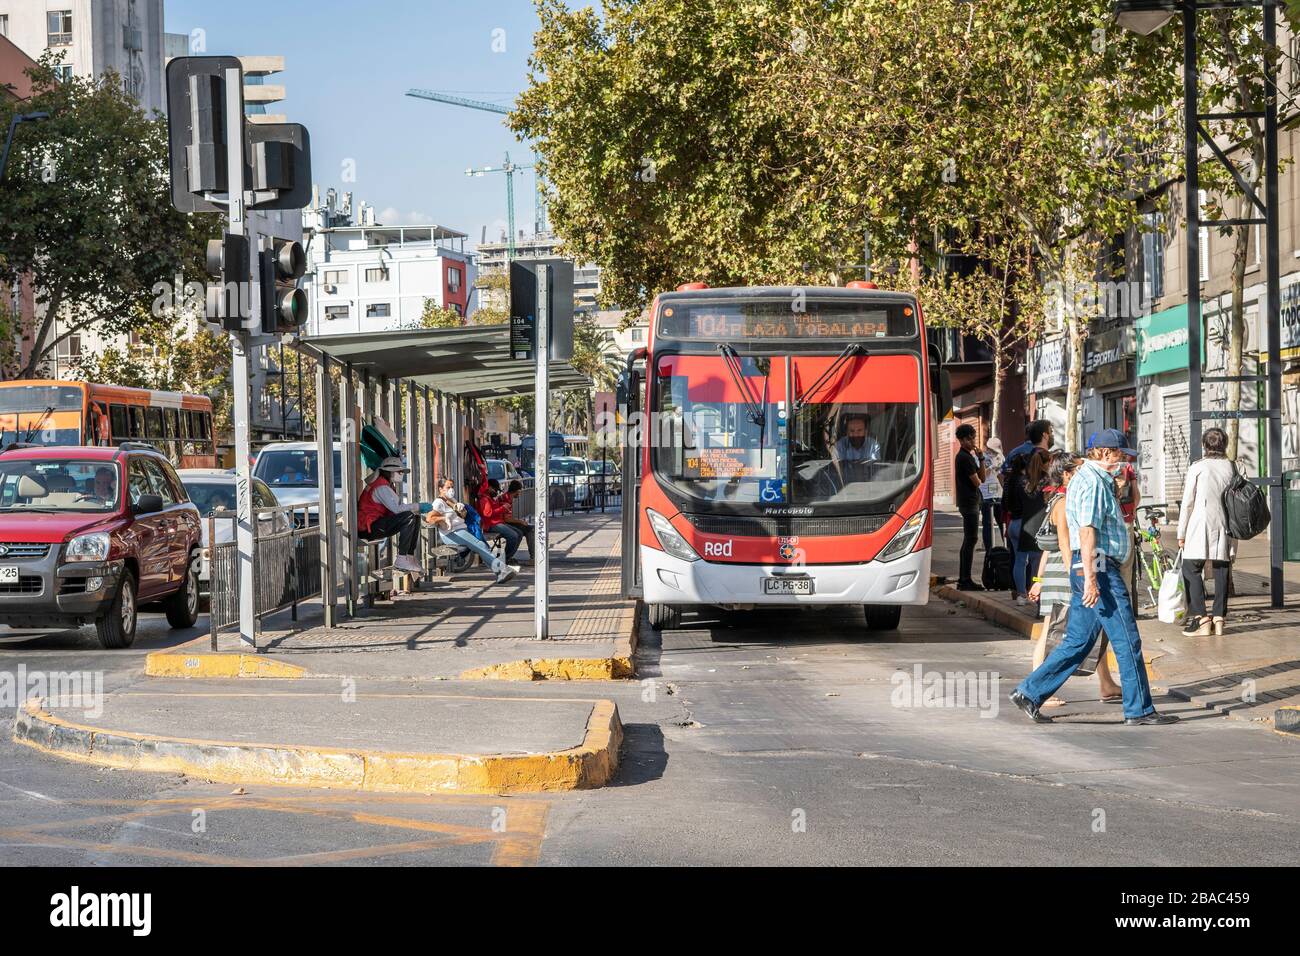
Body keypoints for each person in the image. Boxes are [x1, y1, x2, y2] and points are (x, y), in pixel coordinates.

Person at [1009, 428, 1178, 726]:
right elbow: (1087, 531)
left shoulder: (1096, 479)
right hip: (1098, 567)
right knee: (1127, 639)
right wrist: (1089, 578)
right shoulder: (1092, 482)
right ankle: (1139, 710)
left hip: (1093, 566)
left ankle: (1030, 692)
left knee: (1078, 641)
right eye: (1117, 454)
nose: (1122, 460)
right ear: (1101, 452)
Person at [1027, 452, 1123, 705]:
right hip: (1065, 571)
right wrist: (1075, 575)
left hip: (1069, 569)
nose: (1084, 472)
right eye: (1079, 469)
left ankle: (1106, 683)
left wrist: (1039, 579)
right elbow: (1062, 544)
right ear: (1067, 474)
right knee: (1052, 629)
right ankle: (1038, 684)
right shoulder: (1062, 501)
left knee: (1094, 626)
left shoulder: (1069, 497)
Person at [1177, 427, 1236, 637]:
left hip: (1200, 523)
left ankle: (1202, 618)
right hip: (1226, 524)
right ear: (1225, 444)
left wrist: (1181, 532)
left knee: (1190, 568)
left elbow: (1187, 503)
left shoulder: (1198, 467)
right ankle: (1219, 617)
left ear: (1205, 445)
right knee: (1221, 570)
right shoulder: (1233, 467)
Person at [427, 476, 519, 584]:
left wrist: (462, 511)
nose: (451, 490)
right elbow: (429, 518)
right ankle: (502, 571)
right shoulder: (438, 503)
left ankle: (500, 572)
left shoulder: (451, 500)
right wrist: (444, 518)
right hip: (452, 534)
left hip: (462, 531)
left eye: (452, 487)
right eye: (448, 487)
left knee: (482, 546)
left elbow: (461, 516)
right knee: (480, 545)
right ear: (440, 489)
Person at [357, 456, 427, 575]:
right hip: (369, 528)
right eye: (399, 471)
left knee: (415, 516)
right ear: (389, 472)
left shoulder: (387, 485)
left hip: (376, 524)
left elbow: (397, 507)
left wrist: (416, 508)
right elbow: (397, 509)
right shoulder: (381, 487)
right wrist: (417, 506)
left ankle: (408, 557)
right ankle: (401, 558)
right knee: (409, 516)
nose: (401, 474)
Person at [1012, 448, 1050, 607]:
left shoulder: (1022, 481)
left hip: (1024, 526)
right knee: (1037, 565)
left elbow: (1013, 504)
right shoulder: (1047, 482)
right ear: (1045, 464)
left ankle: (1021, 593)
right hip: (1040, 527)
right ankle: (1037, 595)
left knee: (1020, 561)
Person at [953, 423, 986, 591]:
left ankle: (964, 578)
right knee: (970, 539)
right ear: (961, 440)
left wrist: (980, 458)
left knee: (970, 539)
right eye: (969, 438)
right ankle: (964, 579)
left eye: (973, 437)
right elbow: (978, 481)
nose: (973, 441)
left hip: (972, 501)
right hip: (969, 502)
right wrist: (978, 461)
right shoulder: (964, 457)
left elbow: (983, 478)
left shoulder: (969, 456)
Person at [477, 478, 532, 566]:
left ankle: (507, 557)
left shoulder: (490, 498)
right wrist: (502, 508)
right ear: (490, 488)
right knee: (513, 536)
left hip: (497, 522)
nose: (496, 492)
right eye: (495, 489)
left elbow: (495, 510)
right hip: (491, 524)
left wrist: (501, 507)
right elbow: (488, 514)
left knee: (519, 533)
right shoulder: (484, 499)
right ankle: (504, 559)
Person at [979, 437, 1004, 552]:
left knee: (1002, 521)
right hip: (985, 494)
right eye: (992, 451)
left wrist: (999, 466)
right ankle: (988, 549)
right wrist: (991, 466)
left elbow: (999, 473)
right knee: (988, 523)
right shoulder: (980, 458)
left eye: (995, 451)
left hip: (997, 492)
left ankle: (1007, 545)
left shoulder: (999, 456)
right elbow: (982, 475)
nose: (993, 453)